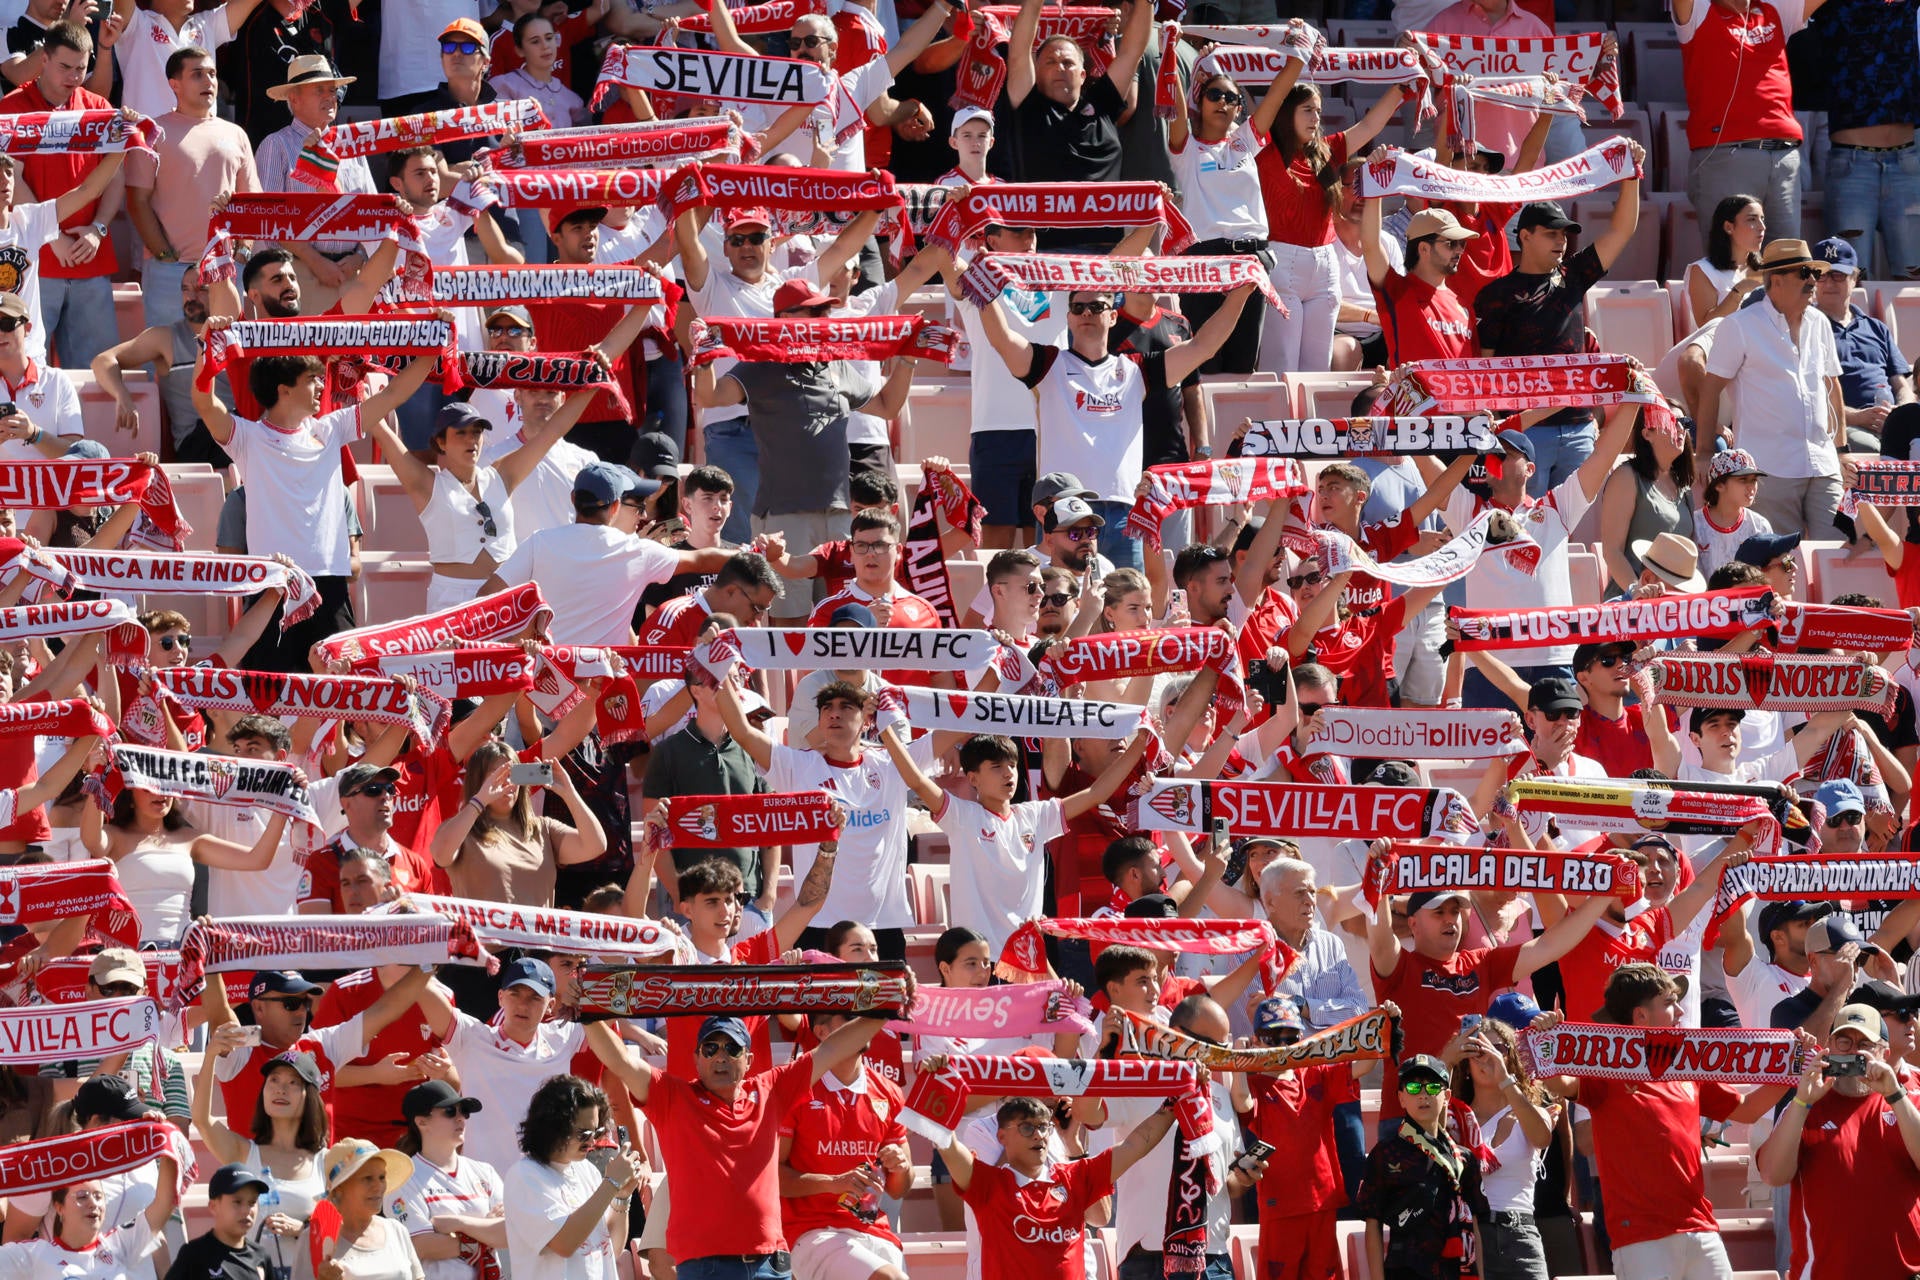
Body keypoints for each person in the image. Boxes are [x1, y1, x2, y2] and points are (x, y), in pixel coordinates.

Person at [973, 282, 1256, 571]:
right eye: (1077, 307)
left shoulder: (1135, 370)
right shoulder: (1048, 364)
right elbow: (1002, 339)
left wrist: (1241, 293)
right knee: (1062, 598)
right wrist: (984, 288)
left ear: (1112, 317)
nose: (1086, 313)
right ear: (1068, 318)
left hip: (1124, 514)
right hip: (1064, 512)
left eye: (1096, 307)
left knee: (1129, 600)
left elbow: (1202, 347)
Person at [690, 277, 922, 622]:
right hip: (784, 515)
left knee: (848, 618)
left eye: (825, 310)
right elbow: (709, 397)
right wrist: (705, 358)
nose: (824, 318)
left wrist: (909, 359)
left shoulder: (835, 362)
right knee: (791, 622)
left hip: (839, 513)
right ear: (784, 318)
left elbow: (888, 407)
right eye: (814, 311)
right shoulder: (761, 363)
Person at [1558, 965, 1792, 1280]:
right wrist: (1546, 1038)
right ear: (1641, 1016)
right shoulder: (1606, 1068)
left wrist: (1795, 1069)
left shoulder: (1687, 1062)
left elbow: (1748, 1109)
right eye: (1669, 1002)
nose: (1681, 1011)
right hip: (1641, 1237)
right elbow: (1560, 1084)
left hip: (1700, 1227)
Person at [888, 730, 1149, 951]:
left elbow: (1095, 793)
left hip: (1027, 957)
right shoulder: (962, 816)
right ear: (972, 778)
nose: (1008, 774)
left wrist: (1139, 744)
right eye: (997, 767)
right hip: (979, 959)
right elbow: (917, 781)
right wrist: (885, 732)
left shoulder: (1036, 815)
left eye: (1012, 765)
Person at [1474, 170, 1646, 496]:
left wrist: (1631, 175)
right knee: (1522, 518)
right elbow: (1485, 366)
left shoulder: (1574, 274)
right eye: (1552, 233)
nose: (1561, 241)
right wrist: (1498, 429)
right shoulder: (1496, 294)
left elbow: (1622, 229)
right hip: (1525, 432)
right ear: (1525, 236)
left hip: (1579, 427)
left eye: (1564, 234)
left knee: (1578, 520)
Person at [934, 1086, 1178, 1280]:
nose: (1038, 1135)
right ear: (1002, 1136)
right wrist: (938, 1084)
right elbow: (947, 1143)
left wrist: (1175, 1101)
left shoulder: (1074, 1175)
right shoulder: (988, 1185)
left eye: (1043, 1127)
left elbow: (1137, 1144)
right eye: (1027, 1128)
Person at [481, 463, 736, 645]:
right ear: (615, 507)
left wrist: (519, 639)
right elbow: (701, 560)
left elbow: (486, 597)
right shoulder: (637, 551)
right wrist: (750, 554)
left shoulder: (539, 543)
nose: (642, 514)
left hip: (545, 681)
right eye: (637, 505)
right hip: (603, 688)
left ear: (573, 499)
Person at [1694, 237, 1844, 539]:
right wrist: (1704, 452)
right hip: (1770, 469)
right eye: (1805, 273)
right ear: (1776, 281)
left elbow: (1832, 385)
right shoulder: (1738, 326)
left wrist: (1843, 451)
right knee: (1778, 559)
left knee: (1837, 552)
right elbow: (1710, 390)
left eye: (1815, 273)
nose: (1813, 281)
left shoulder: (1820, 322)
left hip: (1824, 465)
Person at [1757, 1002, 1920, 1277]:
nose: (1853, 1053)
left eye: (1865, 1045)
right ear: (1829, 1048)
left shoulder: (1909, 1101)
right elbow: (1773, 1175)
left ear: (1885, 1053)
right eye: (1844, 1042)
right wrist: (1801, 1101)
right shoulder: (1806, 1105)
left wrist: (1894, 1095)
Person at [0, 21, 123, 371]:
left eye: (81, 68)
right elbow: (11, 179)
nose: (73, 77)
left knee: (96, 373)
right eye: (65, 67)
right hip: (33, 261)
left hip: (90, 257)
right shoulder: (11, 108)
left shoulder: (98, 107)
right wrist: (52, 237)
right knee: (27, 367)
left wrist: (99, 229)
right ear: (44, 59)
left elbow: (115, 177)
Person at [776, 1006, 912, 1280]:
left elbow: (899, 1189)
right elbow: (772, 1177)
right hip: (812, 1230)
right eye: (851, 1018)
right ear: (821, 1031)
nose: (862, 1024)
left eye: (865, 1017)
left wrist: (901, 1166)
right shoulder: (795, 1088)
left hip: (874, 1230)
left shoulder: (888, 1091)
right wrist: (833, 1182)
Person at [128, 47, 259, 329]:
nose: (208, 81)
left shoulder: (236, 134)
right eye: (197, 74)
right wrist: (164, 256)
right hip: (170, 272)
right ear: (174, 84)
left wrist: (242, 253)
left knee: (227, 350)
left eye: (212, 74)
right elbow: (137, 200)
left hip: (226, 269)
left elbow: (251, 200)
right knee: (168, 352)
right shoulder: (152, 132)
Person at [81, 775, 292, 945]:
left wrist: (283, 808)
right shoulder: (114, 835)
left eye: (165, 786)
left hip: (179, 951)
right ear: (130, 794)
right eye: (148, 787)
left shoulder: (190, 838)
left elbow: (256, 860)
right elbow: (91, 841)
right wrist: (100, 776)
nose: (159, 793)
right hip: (129, 958)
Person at [189, 1044, 329, 1280]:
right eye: (274, 1080)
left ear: (310, 1096)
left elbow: (343, 1229)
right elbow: (202, 1119)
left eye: (293, 1082)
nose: (280, 1089)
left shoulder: (326, 1160)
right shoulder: (245, 1153)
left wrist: (302, 1230)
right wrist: (211, 1054)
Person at [1675, 0, 1808, 242]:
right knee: (1731, 260)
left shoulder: (1773, 9)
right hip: (1728, 155)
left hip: (1784, 156)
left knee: (1787, 260)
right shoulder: (1701, 10)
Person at [1001, 0, 1149, 216]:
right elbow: (1018, 53)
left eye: (1068, 63)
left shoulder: (1102, 104)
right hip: (1046, 236)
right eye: (1050, 62)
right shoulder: (1028, 106)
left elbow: (1132, 51)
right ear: (1036, 74)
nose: (1059, 67)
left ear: (1082, 75)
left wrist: (1147, 3)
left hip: (1105, 234)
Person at [253, 57, 371, 313]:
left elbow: (372, 211)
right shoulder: (276, 145)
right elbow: (269, 219)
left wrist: (360, 256)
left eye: (332, 90)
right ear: (294, 99)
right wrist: (316, 262)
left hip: (354, 274)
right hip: (299, 274)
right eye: (319, 90)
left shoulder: (352, 146)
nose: (330, 97)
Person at [1356, 1053, 1488, 1280]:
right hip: (1405, 1271)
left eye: (1433, 1087)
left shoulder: (1463, 1158)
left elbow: (1475, 1223)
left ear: (1447, 1097)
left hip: (1455, 1270)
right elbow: (1372, 1222)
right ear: (1401, 1098)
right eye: (1414, 1087)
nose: (1423, 1095)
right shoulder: (1385, 1154)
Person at [430, 739, 606, 907]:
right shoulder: (463, 830)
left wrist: (570, 793)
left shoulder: (542, 828)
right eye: (497, 775)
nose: (507, 782)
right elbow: (440, 854)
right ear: (478, 781)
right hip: (482, 930)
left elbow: (596, 846)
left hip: (537, 930)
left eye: (512, 774)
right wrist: (479, 801)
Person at [501, 1075, 642, 1280]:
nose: (592, 1142)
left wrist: (622, 1197)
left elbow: (611, 1250)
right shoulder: (524, 1176)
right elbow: (564, 1244)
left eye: (597, 1132)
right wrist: (611, 1184)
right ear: (553, 1129)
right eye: (584, 1134)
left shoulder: (588, 1170)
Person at [1451, 1018, 1559, 1280]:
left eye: (1498, 1048)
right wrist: (1448, 1057)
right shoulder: (1455, 1118)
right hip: (1471, 1236)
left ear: (1511, 1058)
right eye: (1478, 1049)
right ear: (1466, 1064)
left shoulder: (1529, 1112)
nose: (1488, 1056)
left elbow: (1542, 1137)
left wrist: (1505, 1079)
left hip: (1520, 1235)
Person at [0, 1145, 179, 1280]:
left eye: (98, 1196)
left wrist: (163, 1142)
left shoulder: (120, 1245)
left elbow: (165, 1202)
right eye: (82, 1196)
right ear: (59, 1207)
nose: (93, 1203)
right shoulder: (34, 1255)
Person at [387, 1081, 506, 1280]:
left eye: (464, 1111)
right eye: (450, 1111)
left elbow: (510, 1233)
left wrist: (459, 1224)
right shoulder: (404, 1179)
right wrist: (486, 1229)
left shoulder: (485, 1172)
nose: (461, 1118)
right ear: (421, 1122)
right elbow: (420, 1246)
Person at [1812, 236, 1914, 452]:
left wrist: (1898, 414)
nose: (1829, 283)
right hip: (1843, 425)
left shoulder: (1876, 328)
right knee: (1875, 450)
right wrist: (1857, 416)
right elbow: (1808, 395)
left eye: (1838, 275)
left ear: (1854, 278)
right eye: (1821, 275)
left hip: (1889, 421)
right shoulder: (1805, 327)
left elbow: (1902, 386)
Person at [1362, 201, 1477, 366]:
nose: (1459, 250)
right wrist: (1375, 196)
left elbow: (1474, 367)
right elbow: (1371, 245)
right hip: (1412, 384)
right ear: (1423, 248)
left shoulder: (1464, 306)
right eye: (1451, 243)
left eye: (1462, 243)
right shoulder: (1398, 291)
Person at [1597, 409, 1699, 592]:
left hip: (1674, 601)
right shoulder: (1626, 476)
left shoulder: (1683, 486)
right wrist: (1636, 591)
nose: (1680, 428)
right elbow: (1612, 551)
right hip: (1632, 600)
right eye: (1670, 421)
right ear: (1647, 434)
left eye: (1684, 422)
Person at [315, 1140, 424, 1280]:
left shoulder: (397, 1230)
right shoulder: (316, 1238)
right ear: (340, 1187)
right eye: (368, 1178)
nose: (378, 1186)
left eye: (382, 1177)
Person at [161, 1165, 274, 1280]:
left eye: (252, 1202)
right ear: (213, 1206)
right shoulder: (194, 1255)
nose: (246, 1210)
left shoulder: (261, 1257)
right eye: (237, 1202)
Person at [1685, 193, 1767, 331]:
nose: (1762, 227)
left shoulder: (1766, 268)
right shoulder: (1702, 270)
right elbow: (1706, 326)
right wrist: (1739, 291)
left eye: (1762, 219)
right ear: (1729, 227)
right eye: (1752, 219)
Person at [1695, 448, 1774, 579]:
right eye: (1743, 479)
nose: (1751, 487)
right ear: (1719, 485)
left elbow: (1778, 567)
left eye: (1754, 480)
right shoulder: (1695, 524)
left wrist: (1787, 565)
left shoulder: (1760, 526)